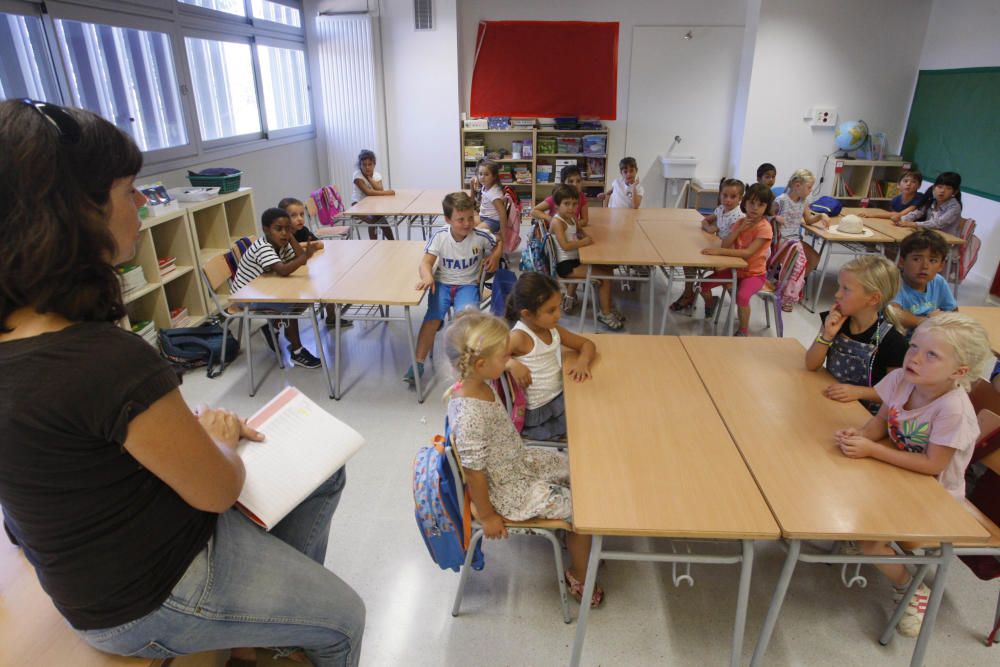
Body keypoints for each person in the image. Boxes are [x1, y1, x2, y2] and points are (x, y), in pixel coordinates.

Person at [0, 99, 364, 666]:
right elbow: (218, 490)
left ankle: (263, 627)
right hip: (144, 596)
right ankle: (264, 628)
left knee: (322, 472)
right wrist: (217, 437)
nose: (142, 203)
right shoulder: (104, 357)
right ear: (77, 212)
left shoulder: (31, 343)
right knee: (345, 619)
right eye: (129, 190)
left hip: (91, 573)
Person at [835, 313, 993, 637]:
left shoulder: (953, 409)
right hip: (897, 478)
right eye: (914, 346)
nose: (915, 358)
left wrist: (873, 450)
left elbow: (933, 465)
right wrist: (862, 435)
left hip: (936, 499)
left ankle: (910, 588)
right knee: (837, 479)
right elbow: (879, 422)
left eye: (931, 355)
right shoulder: (902, 380)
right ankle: (864, 540)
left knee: (870, 543)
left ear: (959, 372)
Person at [444, 310, 604, 607]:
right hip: (508, 491)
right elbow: (474, 471)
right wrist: (489, 516)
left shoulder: (476, 383)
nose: (509, 358)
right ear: (481, 364)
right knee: (583, 509)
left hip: (518, 465)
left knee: (581, 471)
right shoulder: (470, 414)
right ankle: (578, 573)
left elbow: (494, 363)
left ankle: (580, 546)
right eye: (505, 355)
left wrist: (508, 362)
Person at [406, 192, 500, 385]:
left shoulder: (480, 236)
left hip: (467, 285)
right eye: (460, 220)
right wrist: (428, 276)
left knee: (465, 322)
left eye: (470, 218)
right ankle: (418, 363)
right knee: (432, 319)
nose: (467, 224)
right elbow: (425, 263)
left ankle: (466, 366)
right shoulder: (440, 236)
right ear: (448, 219)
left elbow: (499, 242)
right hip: (442, 284)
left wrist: (495, 256)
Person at [805, 255, 908, 414]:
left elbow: (896, 392)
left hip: (865, 416)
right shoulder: (833, 320)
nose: (837, 295)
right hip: (831, 400)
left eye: (846, 289)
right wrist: (827, 335)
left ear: (873, 298)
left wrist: (858, 392)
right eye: (839, 287)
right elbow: (811, 365)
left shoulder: (893, 342)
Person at [505, 272, 596, 441]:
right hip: (540, 413)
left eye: (558, 307)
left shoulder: (553, 329)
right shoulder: (519, 337)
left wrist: (583, 362)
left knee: (595, 410)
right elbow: (485, 358)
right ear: (527, 314)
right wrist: (510, 363)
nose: (559, 315)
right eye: (551, 310)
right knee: (589, 429)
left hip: (560, 396)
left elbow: (587, 344)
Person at [231, 208, 323, 369]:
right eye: (278, 229)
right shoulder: (263, 247)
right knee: (290, 305)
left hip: (263, 291)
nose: (284, 233)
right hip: (246, 297)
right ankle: (297, 351)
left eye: (288, 228)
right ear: (266, 230)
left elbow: (299, 256)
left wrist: (291, 237)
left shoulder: (282, 243)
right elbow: (283, 270)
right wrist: (304, 257)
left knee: (303, 300)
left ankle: (277, 326)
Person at [698, 183, 774, 336]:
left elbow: (747, 253)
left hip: (754, 274)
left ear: (766, 207)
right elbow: (726, 243)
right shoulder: (740, 222)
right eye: (751, 203)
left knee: (742, 296)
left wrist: (718, 252)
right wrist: (739, 229)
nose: (755, 208)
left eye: (760, 205)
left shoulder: (764, 227)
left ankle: (743, 330)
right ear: (744, 202)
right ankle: (711, 303)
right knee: (702, 285)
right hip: (735, 270)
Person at [549, 185, 623, 330]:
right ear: (557, 206)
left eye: (574, 204)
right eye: (566, 204)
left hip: (576, 259)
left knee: (608, 270)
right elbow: (565, 246)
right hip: (566, 266)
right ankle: (605, 313)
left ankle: (607, 306)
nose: (571, 208)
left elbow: (581, 232)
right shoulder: (557, 222)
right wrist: (584, 242)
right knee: (605, 277)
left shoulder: (572, 218)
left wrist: (587, 238)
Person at [671, 178, 746, 313]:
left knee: (694, 263)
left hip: (730, 254)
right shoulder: (721, 209)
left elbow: (733, 243)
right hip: (718, 247)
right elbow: (706, 220)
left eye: (733, 197)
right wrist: (709, 228)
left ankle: (707, 302)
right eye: (724, 195)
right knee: (688, 261)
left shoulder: (739, 217)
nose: (728, 200)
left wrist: (714, 231)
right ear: (720, 195)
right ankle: (689, 294)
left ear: (740, 198)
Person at [279, 196, 350, 329]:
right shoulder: (283, 235)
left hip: (303, 269)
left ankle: (331, 317)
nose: (299, 218)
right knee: (322, 283)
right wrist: (305, 246)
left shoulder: (303, 230)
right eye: (293, 216)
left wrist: (302, 245)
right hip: (290, 276)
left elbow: (319, 244)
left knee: (326, 281)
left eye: (301, 214)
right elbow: (294, 251)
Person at [889, 229, 958, 332]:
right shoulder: (894, 282)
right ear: (902, 262)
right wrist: (923, 322)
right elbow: (893, 313)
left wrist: (942, 317)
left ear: (941, 266)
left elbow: (953, 311)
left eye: (932, 260)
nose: (925, 266)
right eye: (917, 259)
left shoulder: (939, 282)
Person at [774, 168, 828, 274]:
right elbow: (768, 217)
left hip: (795, 240)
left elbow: (808, 220)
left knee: (815, 258)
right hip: (782, 241)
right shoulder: (781, 200)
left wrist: (821, 216)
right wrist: (775, 218)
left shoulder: (804, 201)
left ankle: (796, 283)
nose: (811, 190)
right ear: (797, 185)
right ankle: (787, 283)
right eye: (809, 187)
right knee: (797, 261)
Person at [898, 171, 964, 237]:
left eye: (948, 188)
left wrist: (915, 224)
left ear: (955, 192)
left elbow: (938, 223)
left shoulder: (954, 207)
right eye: (939, 187)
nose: (942, 191)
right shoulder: (932, 200)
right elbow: (918, 213)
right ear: (934, 188)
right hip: (930, 237)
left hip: (946, 241)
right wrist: (902, 219)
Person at [352, 149, 395, 240]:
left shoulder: (376, 175)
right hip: (358, 206)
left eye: (370, 164)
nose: (367, 167)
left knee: (382, 220)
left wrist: (370, 179)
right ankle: (373, 245)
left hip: (371, 205)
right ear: (360, 165)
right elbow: (369, 192)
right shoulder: (357, 176)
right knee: (373, 220)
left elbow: (380, 189)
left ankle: (393, 242)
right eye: (364, 165)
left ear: (374, 165)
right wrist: (387, 193)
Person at [529, 164, 590, 229]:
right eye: (570, 181)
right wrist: (550, 218)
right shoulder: (556, 197)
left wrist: (570, 226)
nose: (575, 185)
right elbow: (534, 211)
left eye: (578, 181)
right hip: (554, 231)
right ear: (563, 183)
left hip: (570, 231)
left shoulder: (582, 197)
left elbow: (585, 220)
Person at [858, 170, 923, 222]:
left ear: (919, 186)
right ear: (898, 185)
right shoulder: (895, 200)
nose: (908, 184)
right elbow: (892, 215)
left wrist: (872, 215)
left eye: (913, 182)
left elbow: (899, 215)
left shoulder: (919, 198)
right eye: (905, 181)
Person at [473, 159, 508, 250]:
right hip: (483, 217)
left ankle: (497, 239)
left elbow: (502, 213)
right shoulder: (485, 185)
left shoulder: (494, 193)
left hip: (493, 221)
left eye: (486, 174)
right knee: (466, 225)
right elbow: (477, 178)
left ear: (494, 176)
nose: (482, 177)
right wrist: (476, 178)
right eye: (480, 174)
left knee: (475, 234)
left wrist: (503, 233)